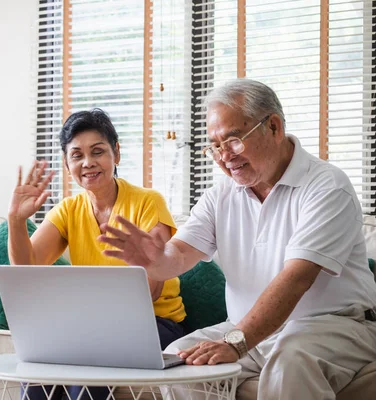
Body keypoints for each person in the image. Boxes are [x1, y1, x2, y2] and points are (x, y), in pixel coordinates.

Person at [98, 79, 376, 400]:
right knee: (178, 358)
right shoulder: (221, 195)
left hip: (335, 326)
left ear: (273, 127)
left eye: (233, 140)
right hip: (250, 330)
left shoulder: (327, 186)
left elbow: (296, 278)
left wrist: (237, 342)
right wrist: (155, 259)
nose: (223, 156)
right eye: (214, 146)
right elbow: (180, 254)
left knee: (291, 360)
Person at [8, 108, 188, 400]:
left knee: (88, 372)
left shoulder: (147, 202)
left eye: (98, 151)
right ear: (67, 165)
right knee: (39, 368)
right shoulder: (68, 210)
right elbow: (26, 268)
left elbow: (151, 290)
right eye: (77, 155)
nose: (88, 163)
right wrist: (16, 220)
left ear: (116, 152)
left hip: (157, 326)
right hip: (91, 327)